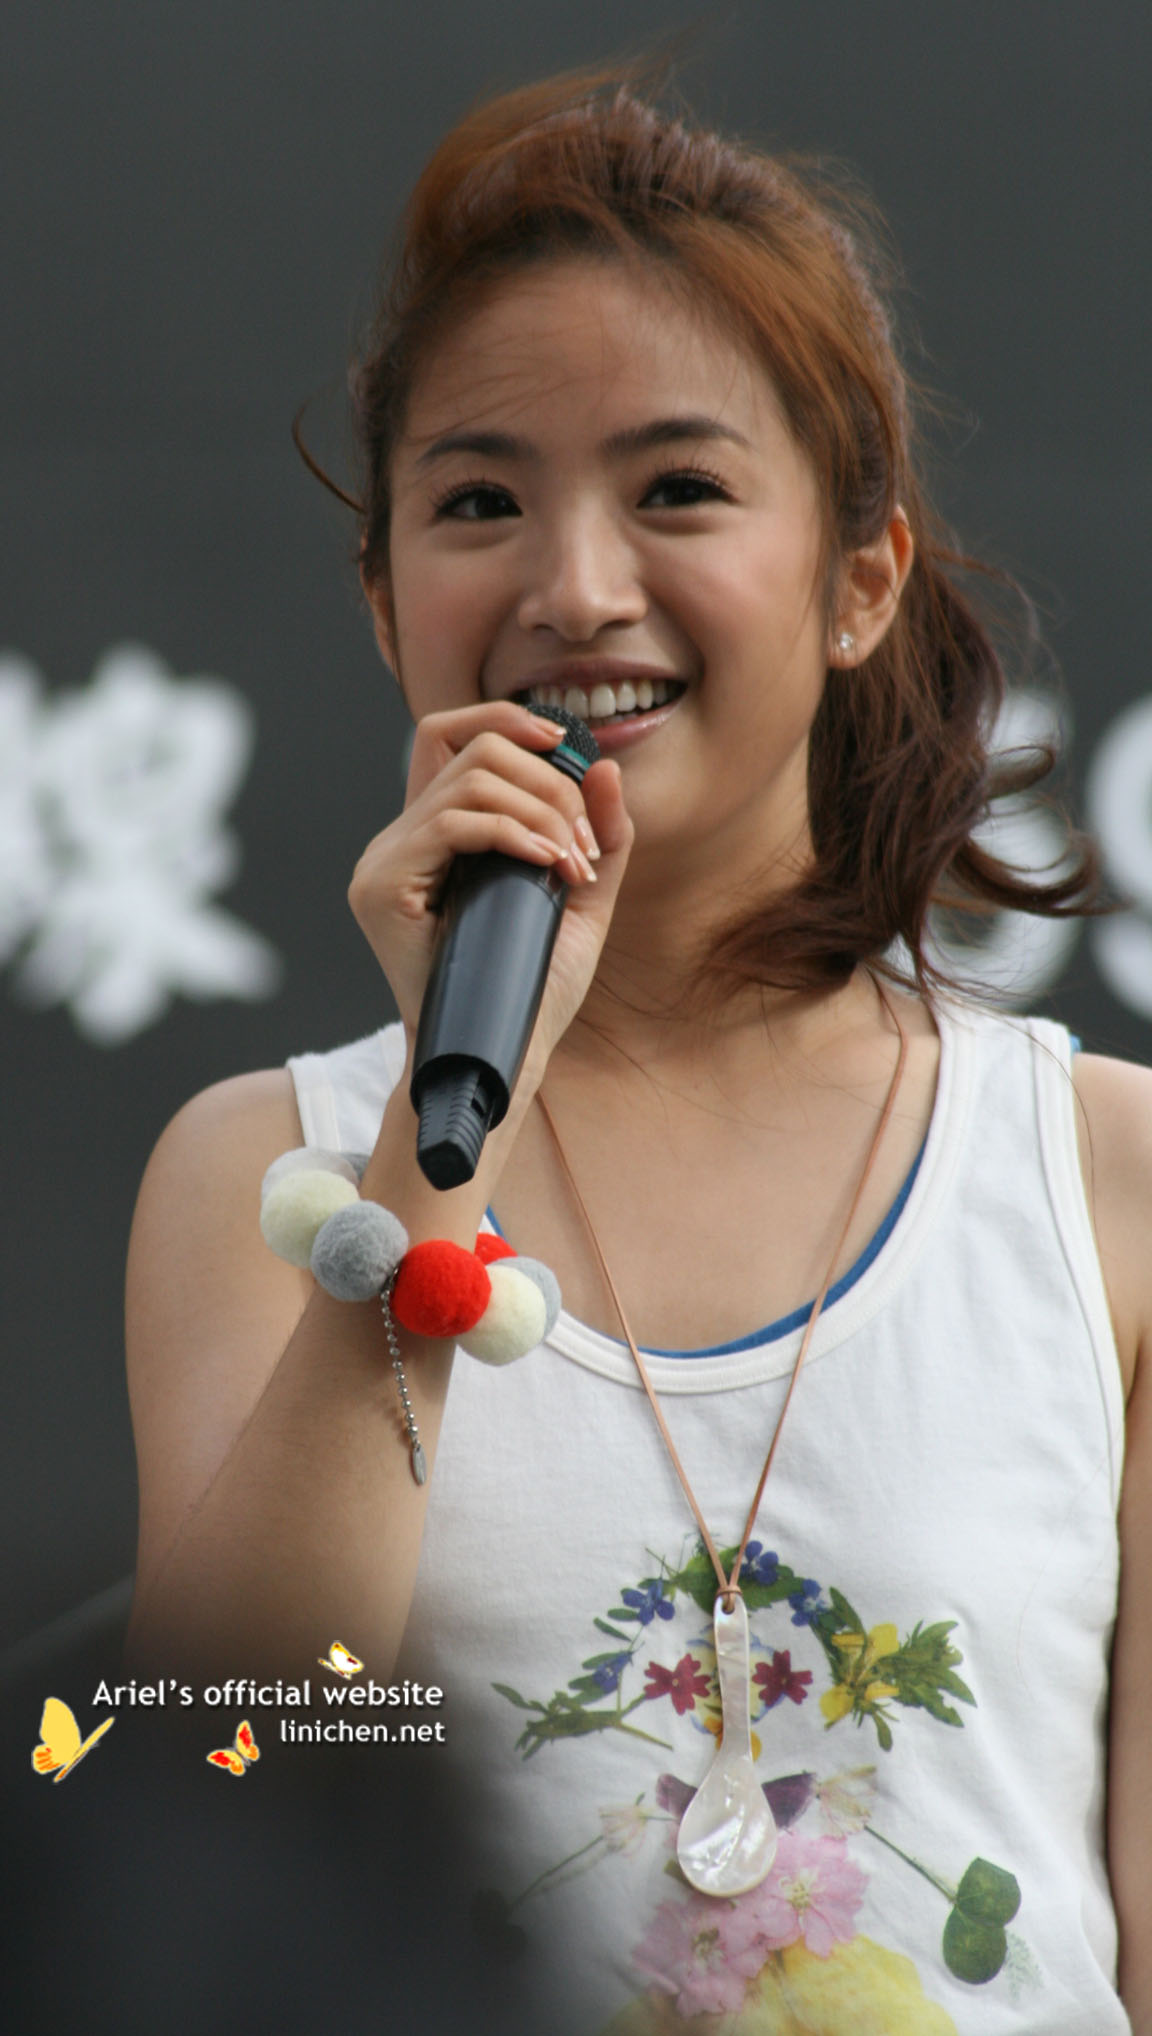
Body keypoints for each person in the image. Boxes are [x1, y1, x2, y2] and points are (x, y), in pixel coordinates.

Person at [124, 56, 1151, 2036]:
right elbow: (223, 1794)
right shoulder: (266, 1174)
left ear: (859, 580)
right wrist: (441, 1138)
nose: (577, 589)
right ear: (383, 600)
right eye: (480, 503)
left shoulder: (1102, 1176)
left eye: (678, 489)